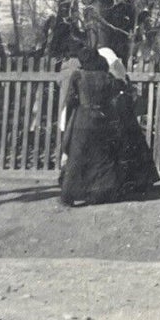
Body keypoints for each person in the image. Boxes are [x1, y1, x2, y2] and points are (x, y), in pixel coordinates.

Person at [59, 49, 128, 208]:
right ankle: (100, 193)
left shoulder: (78, 76)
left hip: (82, 119)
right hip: (102, 118)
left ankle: (68, 195)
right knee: (101, 156)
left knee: (76, 156)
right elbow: (119, 86)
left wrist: (69, 117)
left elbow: (70, 100)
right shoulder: (105, 77)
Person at [98, 46, 159, 195]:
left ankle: (125, 181)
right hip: (124, 110)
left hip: (117, 110)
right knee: (131, 142)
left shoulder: (110, 71)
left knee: (123, 144)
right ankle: (138, 180)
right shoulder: (119, 70)